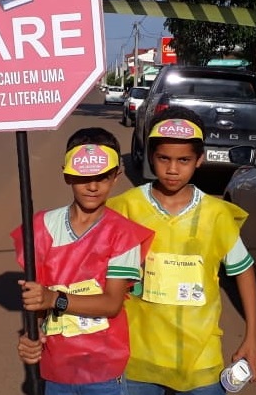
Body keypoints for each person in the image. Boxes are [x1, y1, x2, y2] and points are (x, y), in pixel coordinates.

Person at [19, 107, 256, 395]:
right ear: (150, 156)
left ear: (200, 159)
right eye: (164, 158)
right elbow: (75, 272)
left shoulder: (217, 215)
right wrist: (41, 325)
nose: (172, 169)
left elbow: (243, 270)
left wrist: (252, 335)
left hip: (200, 357)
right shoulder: (124, 208)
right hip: (138, 357)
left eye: (184, 160)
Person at [12, 127, 154, 395]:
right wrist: (33, 334)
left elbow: (111, 303)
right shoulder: (41, 227)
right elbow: (38, 298)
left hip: (104, 367)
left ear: (116, 176)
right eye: (83, 177)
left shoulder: (123, 234)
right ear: (66, 174)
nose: (93, 186)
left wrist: (53, 299)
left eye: (102, 177)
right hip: (57, 366)